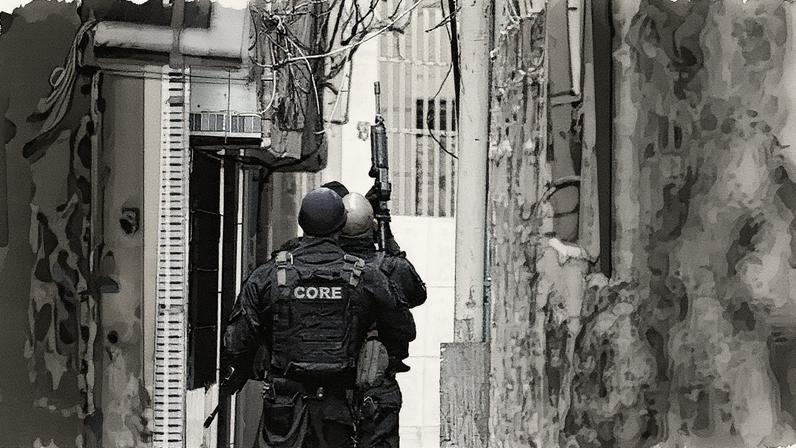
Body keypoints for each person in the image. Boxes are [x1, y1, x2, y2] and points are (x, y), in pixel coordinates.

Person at [220, 187, 416, 448]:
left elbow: (236, 342)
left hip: (283, 414)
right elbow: (404, 330)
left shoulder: (269, 276)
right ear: (341, 225)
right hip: (340, 413)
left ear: (302, 224)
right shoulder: (366, 276)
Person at [340, 192, 427, 448]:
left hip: (330, 386)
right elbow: (417, 293)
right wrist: (388, 237)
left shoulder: (330, 268)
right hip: (378, 382)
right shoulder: (389, 267)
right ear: (373, 228)